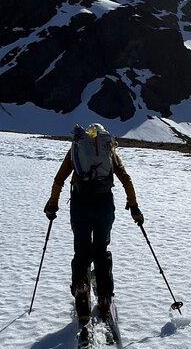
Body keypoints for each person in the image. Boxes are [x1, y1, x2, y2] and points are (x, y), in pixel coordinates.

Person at [44, 123, 143, 324]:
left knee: (81, 250)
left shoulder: (77, 149)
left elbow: (59, 180)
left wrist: (52, 204)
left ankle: (81, 289)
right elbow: (126, 179)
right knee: (101, 249)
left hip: (80, 205)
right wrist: (133, 207)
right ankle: (105, 297)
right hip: (104, 205)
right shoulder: (109, 149)